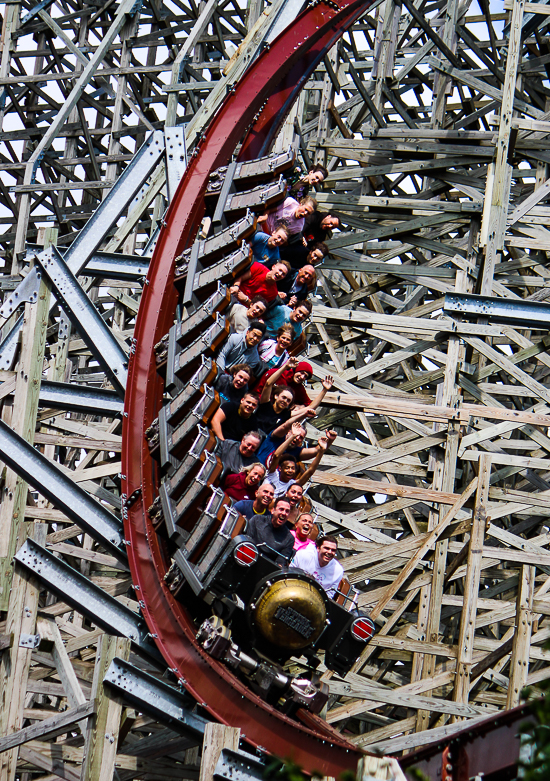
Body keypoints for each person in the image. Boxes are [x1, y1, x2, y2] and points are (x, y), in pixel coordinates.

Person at [266, 430, 331, 495]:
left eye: (293, 468)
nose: (290, 470)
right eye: (287, 468)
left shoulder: (292, 485)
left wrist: (321, 451)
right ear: (280, 468)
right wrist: (293, 436)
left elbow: (310, 471)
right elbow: (276, 456)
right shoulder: (272, 474)